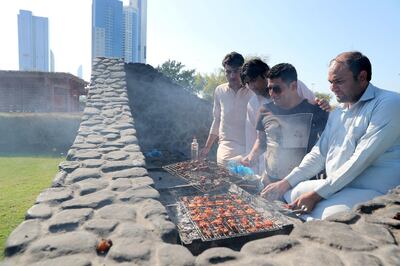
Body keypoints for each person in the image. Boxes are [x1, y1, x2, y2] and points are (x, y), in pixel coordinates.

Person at [261, 51, 400, 220]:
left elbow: (361, 159)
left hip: (373, 190)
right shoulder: (339, 112)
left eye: (339, 81)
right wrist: (285, 182)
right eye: (331, 82)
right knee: (291, 192)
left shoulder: (388, 103)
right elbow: (319, 153)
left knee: (324, 217)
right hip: (339, 186)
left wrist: (316, 195)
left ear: (362, 77)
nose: (332, 88)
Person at [242, 63, 329, 186]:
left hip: (302, 184)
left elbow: (326, 147)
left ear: (293, 86)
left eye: (276, 89)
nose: (272, 93)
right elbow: (261, 141)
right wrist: (251, 157)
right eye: (269, 88)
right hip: (270, 182)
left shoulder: (315, 110)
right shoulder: (264, 110)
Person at [200, 52, 254, 165]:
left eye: (236, 71)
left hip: (249, 147)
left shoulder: (253, 91)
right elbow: (217, 120)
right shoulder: (219, 91)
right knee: (226, 173)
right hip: (226, 146)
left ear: (243, 70)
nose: (232, 76)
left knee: (246, 180)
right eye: (228, 72)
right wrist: (207, 148)